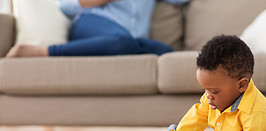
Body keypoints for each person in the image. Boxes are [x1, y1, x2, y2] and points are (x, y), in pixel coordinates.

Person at [6, 0, 188, 58]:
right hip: (92, 22)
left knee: (164, 50)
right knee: (122, 41)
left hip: (131, 38)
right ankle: (44, 52)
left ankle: (124, 45)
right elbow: (65, 5)